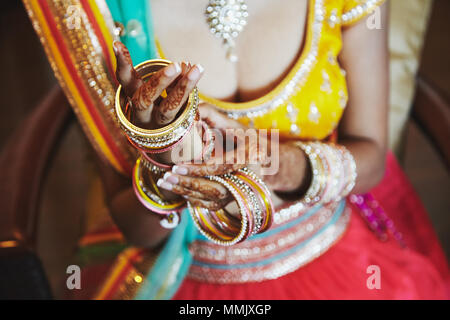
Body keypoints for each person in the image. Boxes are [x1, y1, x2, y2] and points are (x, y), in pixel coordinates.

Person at [24, 0, 449, 299]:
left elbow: (372, 156)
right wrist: (169, 160)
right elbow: (140, 230)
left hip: (330, 253)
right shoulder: (100, 14)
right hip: (183, 270)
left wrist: (282, 165)